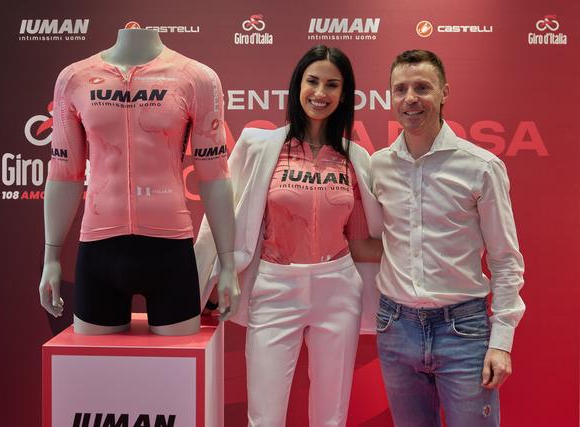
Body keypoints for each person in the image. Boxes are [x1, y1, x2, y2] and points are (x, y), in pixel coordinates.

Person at [195, 45, 383, 427]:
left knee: (331, 417)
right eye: (312, 81)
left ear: (344, 94)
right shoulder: (259, 145)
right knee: (264, 417)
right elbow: (224, 214)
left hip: (337, 287)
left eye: (332, 84)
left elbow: (361, 238)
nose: (320, 93)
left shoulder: (357, 158)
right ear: (298, 85)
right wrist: (213, 273)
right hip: (275, 285)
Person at [38, 27, 240, 335]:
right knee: (97, 364)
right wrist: (51, 257)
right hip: (99, 254)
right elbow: (64, 173)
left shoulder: (196, 78)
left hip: (171, 253)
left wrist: (228, 264)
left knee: (178, 365)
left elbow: (214, 176)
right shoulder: (75, 78)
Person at [370, 49, 525, 426]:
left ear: (444, 93)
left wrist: (501, 342)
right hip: (396, 328)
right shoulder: (377, 166)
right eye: (400, 89)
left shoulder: (480, 167)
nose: (410, 98)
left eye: (422, 88)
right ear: (390, 97)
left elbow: (505, 259)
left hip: (464, 331)